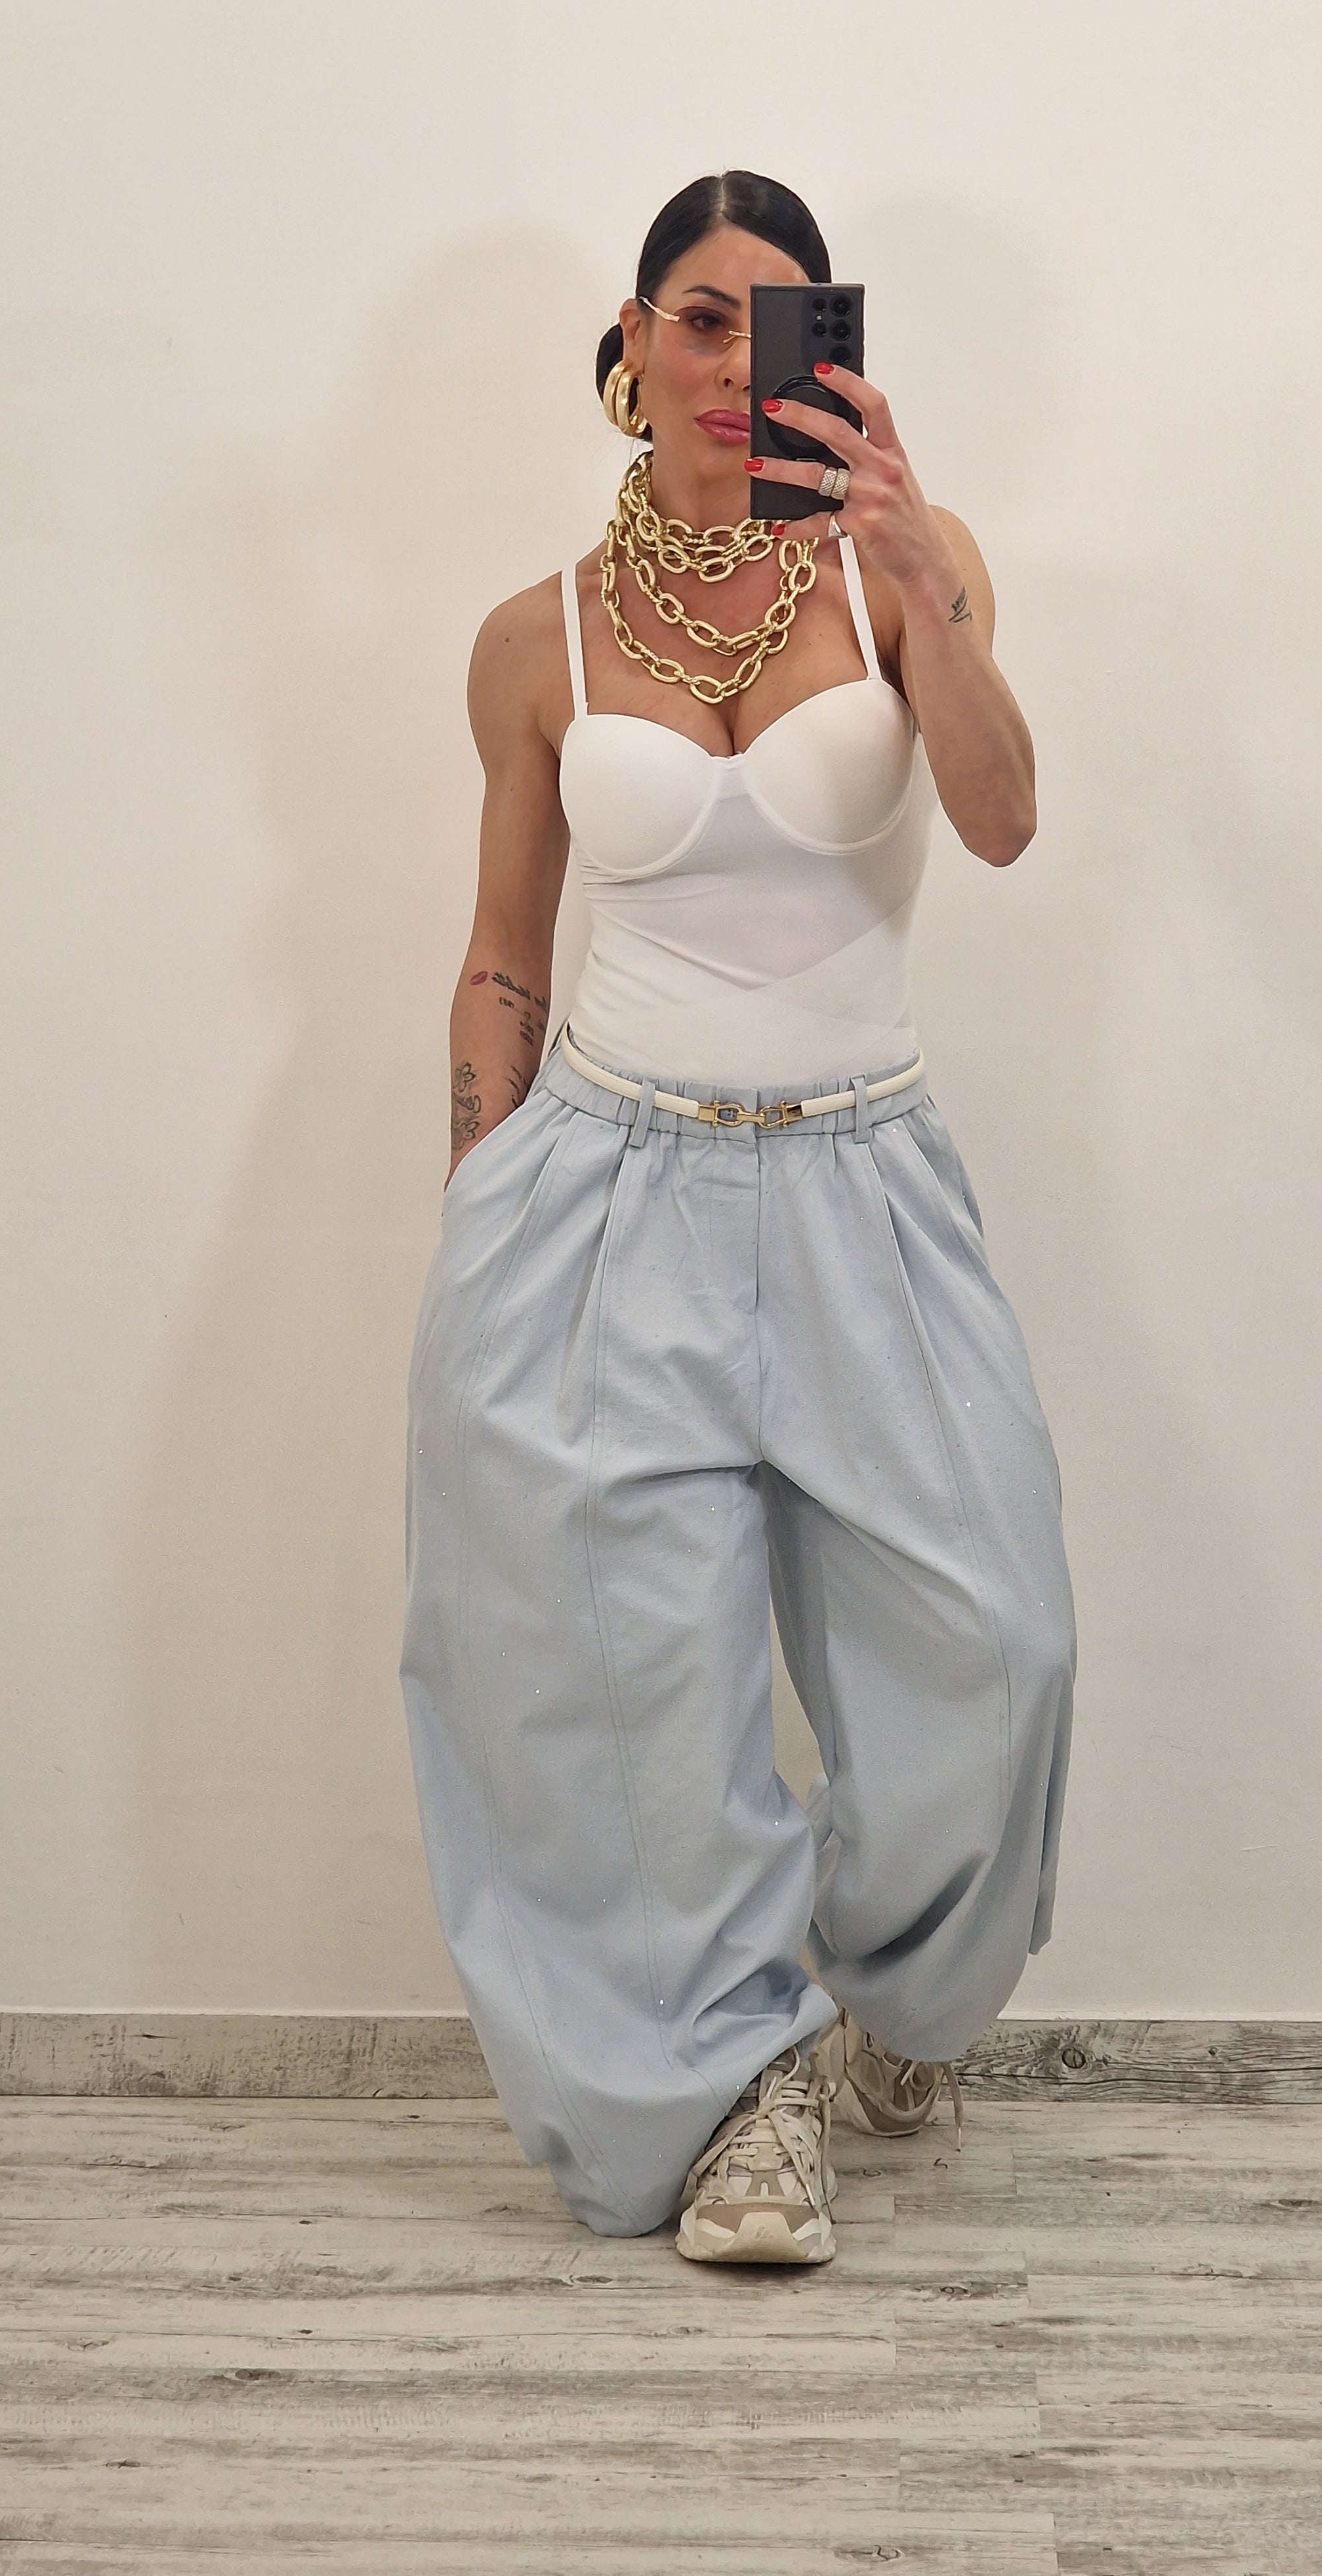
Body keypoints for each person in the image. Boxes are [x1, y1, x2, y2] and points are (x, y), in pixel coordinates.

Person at [399, 171, 1075, 2267]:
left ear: (827, 357)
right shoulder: (538, 637)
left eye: (773, 328)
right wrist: (481, 1215)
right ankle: (733, 2095)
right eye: (698, 318)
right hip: (607, 1192)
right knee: (637, 1696)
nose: (729, 364)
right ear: (633, 339)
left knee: (998, 1645)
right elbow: (503, 952)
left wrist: (920, 576)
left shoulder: (903, 570)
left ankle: (900, 2010)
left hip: (867, 1177)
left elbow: (1002, 818)